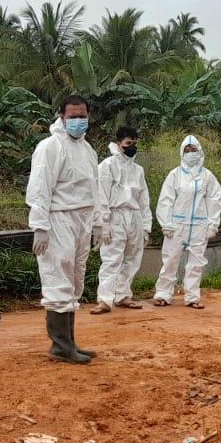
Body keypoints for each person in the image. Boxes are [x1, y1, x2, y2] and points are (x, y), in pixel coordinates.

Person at [27, 94, 107, 362]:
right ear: (61, 117)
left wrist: (97, 223)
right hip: (59, 219)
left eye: (82, 116)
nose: (78, 121)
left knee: (74, 279)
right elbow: (40, 189)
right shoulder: (50, 147)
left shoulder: (87, 150)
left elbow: (94, 188)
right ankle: (60, 345)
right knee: (58, 276)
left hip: (82, 220)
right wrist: (40, 226)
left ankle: (69, 341)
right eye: (73, 117)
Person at [151, 134, 221, 310]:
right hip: (177, 225)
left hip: (199, 225)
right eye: (187, 150)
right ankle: (163, 294)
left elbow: (214, 199)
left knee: (196, 263)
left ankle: (192, 296)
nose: (191, 153)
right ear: (182, 153)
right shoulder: (175, 175)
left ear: (200, 151)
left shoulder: (207, 176)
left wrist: (213, 225)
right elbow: (166, 200)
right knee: (170, 260)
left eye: (193, 149)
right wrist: (166, 223)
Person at [91, 126, 150, 314]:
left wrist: (146, 226)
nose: (132, 147)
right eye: (128, 143)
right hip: (115, 216)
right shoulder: (107, 166)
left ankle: (123, 295)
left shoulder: (138, 170)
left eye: (134, 143)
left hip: (134, 216)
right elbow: (101, 195)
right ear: (118, 143)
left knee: (132, 258)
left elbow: (144, 199)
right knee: (111, 258)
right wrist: (103, 222)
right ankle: (104, 299)